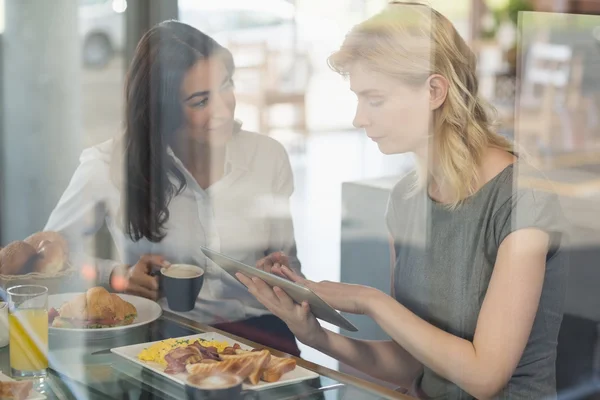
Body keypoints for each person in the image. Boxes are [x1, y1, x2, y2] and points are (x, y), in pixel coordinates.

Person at [238, 3, 568, 398]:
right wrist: (313, 334)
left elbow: (485, 377)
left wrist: (368, 299)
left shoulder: (523, 200)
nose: (359, 118)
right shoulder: (406, 200)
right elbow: (411, 362)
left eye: (374, 99)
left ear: (434, 90)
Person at [45, 20, 301, 356]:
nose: (224, 110)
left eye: (226, 86)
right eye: (200, 101)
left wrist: (283, 276)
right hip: (162, 339)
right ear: (160, 111)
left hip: (261, 335)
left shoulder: (268, 156)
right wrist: (116, 276)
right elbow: (47, 262)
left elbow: (291, 270)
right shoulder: (106, 166)